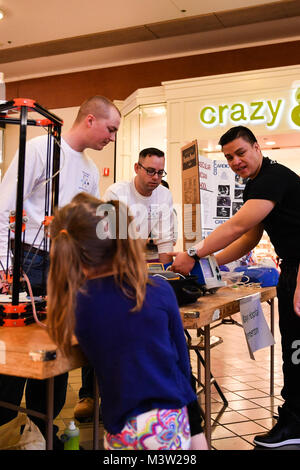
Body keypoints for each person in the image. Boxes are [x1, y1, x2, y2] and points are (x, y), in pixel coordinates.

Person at [0, 95, 120, 448]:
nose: (111, 137)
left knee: (56, 353)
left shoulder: (90, 169)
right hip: (29, 262)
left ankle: (41, 429)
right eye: (110, 129)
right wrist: (6, 266)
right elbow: (5, 207)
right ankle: (6, 430)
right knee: (18, 354)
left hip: (67, 267)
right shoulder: (41, 149)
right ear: (90, 120)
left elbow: (92, 225)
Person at [169, 125, 300, 448]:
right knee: (294, 348)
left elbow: (237, 224)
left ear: (256, 147)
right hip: (291, 269)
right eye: (229, 157)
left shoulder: (273, 177)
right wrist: (211, 267)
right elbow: (249, 237)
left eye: (240, 153)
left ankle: (296, 422)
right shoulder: (254, 185)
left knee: (297, 350)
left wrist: (193, 254)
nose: (235, 161)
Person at [46, 192, 207, 450]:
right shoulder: (159, 290)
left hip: (121, 427)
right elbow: (182, 365)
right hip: (169, 421)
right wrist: (197, 429)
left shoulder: (74, 303)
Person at [103, 148, 174, 264]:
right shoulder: (116, 193)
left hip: (137, 259)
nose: (156, 177)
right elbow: (107, 240)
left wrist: (167, 275)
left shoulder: (164, 195)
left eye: (160, 172)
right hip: (112, 260)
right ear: (137, 168)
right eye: (150, 171)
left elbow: (165, 241)